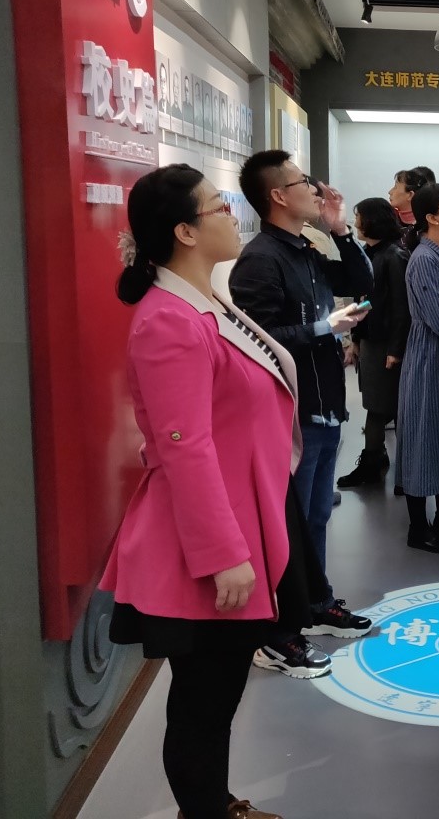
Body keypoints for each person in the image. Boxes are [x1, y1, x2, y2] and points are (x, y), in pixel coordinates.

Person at [103, 164, 292, 819]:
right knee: (203, 702)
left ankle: (214, 803)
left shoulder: (204, 302)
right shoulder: (169, 321)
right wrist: (222, 553)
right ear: (185, 231)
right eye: (218, 206)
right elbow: (184, 446)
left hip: (240, 518)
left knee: (217, 694)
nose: (232, 215)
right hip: (206, 543)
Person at [229, 150, 376, 668]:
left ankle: (314, 601)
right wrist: (323, 329)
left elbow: (361, 283)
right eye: (303, 183)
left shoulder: (305, 249)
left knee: (315, 514)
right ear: (278, 195)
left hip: (324, 402)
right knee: (287, 523)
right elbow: (257, 340)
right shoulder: (261, 258)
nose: (316, 191)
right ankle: (280, 627)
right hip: (291, 413)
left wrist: (341, 231)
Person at [397, 183, 439, 554]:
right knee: (424, 437)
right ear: (432, 218)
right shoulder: (424, 259)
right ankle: (417, 527)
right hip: (430, 359)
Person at [338, 198, 411, 489]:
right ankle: (377, 462)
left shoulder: (394, 255)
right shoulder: (370, 254)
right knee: (375, 405)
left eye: (359, 216)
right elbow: (364, 302)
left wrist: (396, 349)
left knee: (381, 408)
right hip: (372, 340)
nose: (355, 223)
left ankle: (385, 466)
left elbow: (401, 307)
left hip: (386, 345)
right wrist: (356, 339)